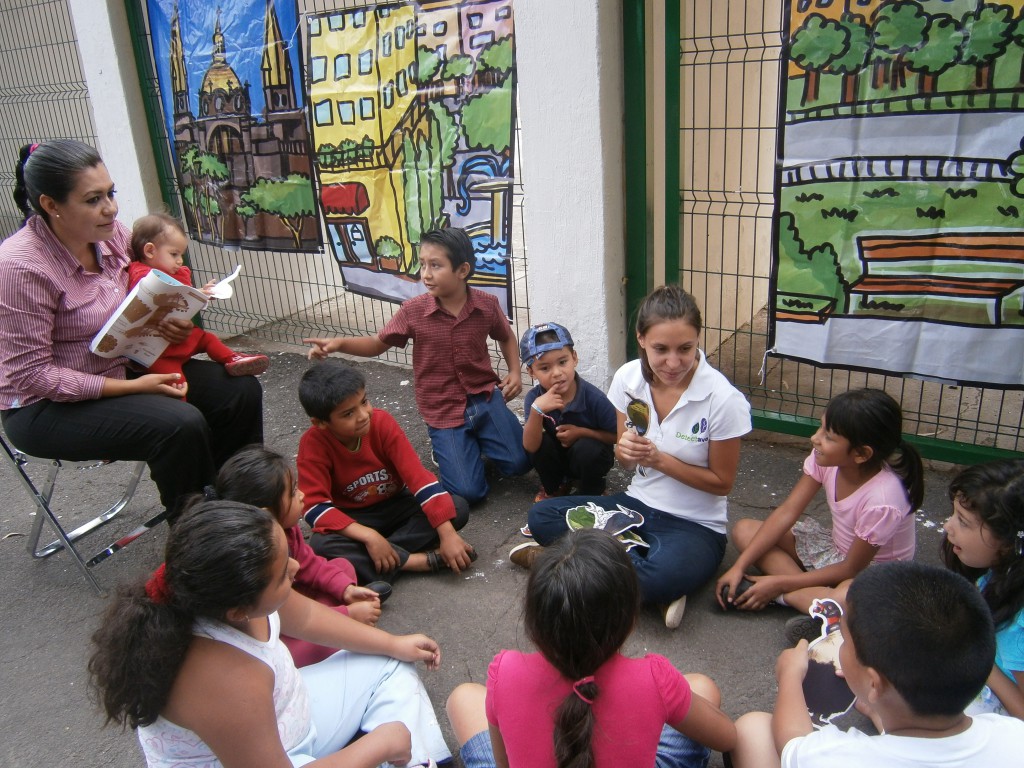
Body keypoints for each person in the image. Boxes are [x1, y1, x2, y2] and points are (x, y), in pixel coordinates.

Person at [0, 140, 262, 520]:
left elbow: (141, 295)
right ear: (51, 205)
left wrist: (169, 322)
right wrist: (134, 387)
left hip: (124, 366)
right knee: (179, 424)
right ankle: (202, 538)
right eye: (93, 199)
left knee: (238, 391)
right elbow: (32, 376)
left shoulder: (115, 235)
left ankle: (241, 507)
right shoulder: (19, 268)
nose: (111, 208)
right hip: (46, 406)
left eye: (111, 193)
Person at [88, 501, 452, 767]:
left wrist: (394, 644)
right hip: (275, 756)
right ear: (238, 611)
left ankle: (419, 759)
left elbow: (307, 615)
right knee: (393, 733)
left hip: (289, 721)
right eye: (282, 575)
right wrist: (380, 745)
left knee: (390, 663)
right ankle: (409, 754)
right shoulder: (222, 679)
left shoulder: (224, 587)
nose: (296, 567)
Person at [516, 285, 752, 629]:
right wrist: (624, 452)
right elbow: (625, 461)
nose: (673, 362)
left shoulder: (723, 399)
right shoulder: (629, 379)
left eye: (685, 348)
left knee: (660, 575)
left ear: (698, 338)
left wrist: (659, 460)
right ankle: (639, 585)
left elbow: (721, 484)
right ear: (641, 338)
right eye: (661, 349)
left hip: (695, 525)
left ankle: (569, 565)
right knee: (541, 516)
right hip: (636, 506)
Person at [445, 528, 737, 768]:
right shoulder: (655, 677)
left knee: (463, 697)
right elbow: (726, 738)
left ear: (534, 622)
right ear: (630, 618)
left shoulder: (504, 670)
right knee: (701, 686)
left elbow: (504, 763)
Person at [304, 227, 530, 504]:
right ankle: (451, 448)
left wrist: (515, 371)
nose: (426, 274)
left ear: (462, 270)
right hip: (442, 406)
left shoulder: (486, 305)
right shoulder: (413, 311)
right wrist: (339, 344)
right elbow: (378, 343)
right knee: (470, 493)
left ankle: (477, 442)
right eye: (423, 264)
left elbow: (506, 337)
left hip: (484, 397)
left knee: (521, 464)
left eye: (436, 265)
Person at [728, 561, 1024, 768]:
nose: (840, 646)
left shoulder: (838, 758)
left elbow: (793, 743)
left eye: (843, 639)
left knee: (753, 729)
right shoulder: (1012, 734)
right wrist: (881, 712)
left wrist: (790, 675)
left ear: (874, 683)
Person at [716, 388, 923, 620]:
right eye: (820, 427)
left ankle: (786, 598)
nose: (815, 438)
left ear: (861, 454)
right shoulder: (826, 460)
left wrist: (779, 584)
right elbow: (788, 511)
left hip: (870, 572)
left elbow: (852, 569)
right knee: (745, 530)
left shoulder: (882, 501)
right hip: (834, 551)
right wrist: (740, 566)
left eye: (829, 436)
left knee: (846, 599)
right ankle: (821, 607)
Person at [298, 360, 476, 585]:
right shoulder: (313, 444)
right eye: (348, 413)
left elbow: (418, 479)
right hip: (354, 517)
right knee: (321, 545)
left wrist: (447, 534)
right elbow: (314, 508)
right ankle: (415, 561)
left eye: (364, 402)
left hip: (396, 505)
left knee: (456, 507)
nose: (363, 415)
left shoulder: (382, 423)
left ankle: (379, 561)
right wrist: (369, 536)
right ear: (320, 422)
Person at [214, 445, 387, 667]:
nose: (302, 495)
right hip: (272, 621)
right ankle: (336, 629)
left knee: (342, 566)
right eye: (293, 492)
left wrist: (346, 588)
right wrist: (347, 614)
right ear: (266, 514)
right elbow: (281, 613)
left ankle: (334, 621)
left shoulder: (286, 528)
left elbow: (310, 564)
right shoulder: (252, 558)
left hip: (294, 598)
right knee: (291, 652)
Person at [129, 212, 269, 387]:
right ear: (150, 250)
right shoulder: (141, 274)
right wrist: (196, 293)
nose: (180, 261)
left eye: (181, 254)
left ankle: (233, 359)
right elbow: (160, 294)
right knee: (176, 382)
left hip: (183, 337)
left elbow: (184, 298)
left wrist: (202, 294)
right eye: (174, 254)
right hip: (159, 350)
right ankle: (180, 409)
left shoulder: (176, 272)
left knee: (208, 339)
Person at [941, 459, 1024, 719]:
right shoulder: (1003, 574)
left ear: (1008, 544)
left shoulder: (1017, 629)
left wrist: (980, 657)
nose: (947, 526)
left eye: (963, 521)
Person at [520, 321, 616, 505]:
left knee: (588, 448)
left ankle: (592, 491)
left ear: (574, 358)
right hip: (557, 462)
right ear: (531, 371)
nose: (557, 373)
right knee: (541, 443)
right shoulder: (534, 399)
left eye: (563, 362)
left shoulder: (593, 397)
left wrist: (582, 433)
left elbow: (619, 435)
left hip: (587, 459)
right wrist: (536, 411)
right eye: (545, 368)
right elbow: (530, 447)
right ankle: (554, 488)